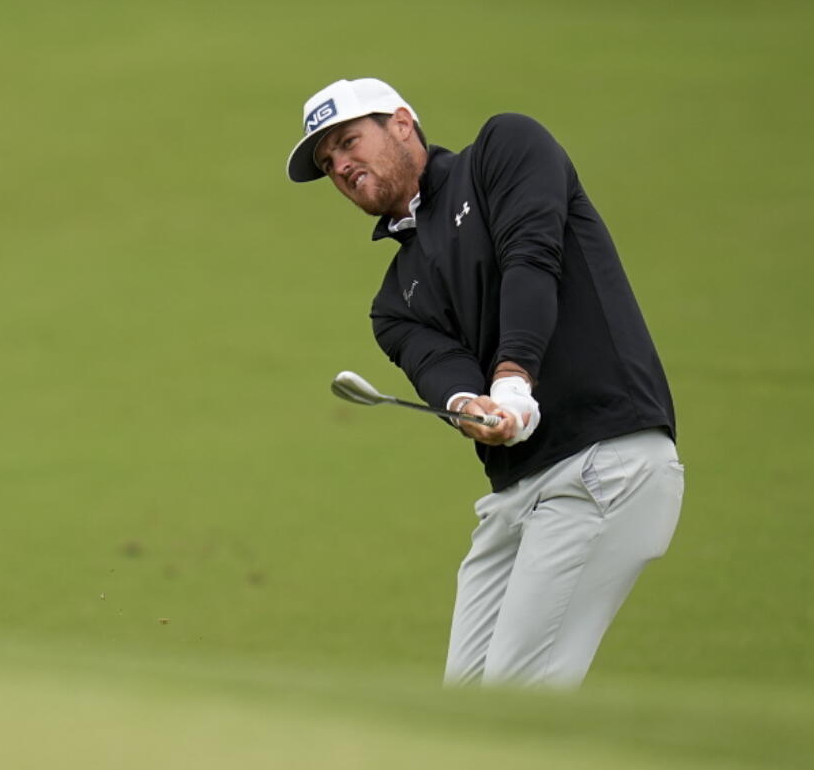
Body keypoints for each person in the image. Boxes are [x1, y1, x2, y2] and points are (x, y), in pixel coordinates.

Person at [286, 78, 684, 688]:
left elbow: (532, 256)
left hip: (603, 463)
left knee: (513, 710)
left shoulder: (504, 150)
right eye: (327, 161)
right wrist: (470, 405)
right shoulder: (393, 302)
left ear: (400, 123)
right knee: (466, 711)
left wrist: (513, 379)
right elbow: (438, 370)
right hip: (514, 501)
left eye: (348, 141)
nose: (340, 165)